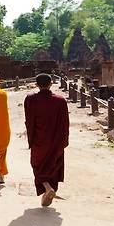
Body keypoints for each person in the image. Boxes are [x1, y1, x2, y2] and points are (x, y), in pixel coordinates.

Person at [24, 73, 70, 207]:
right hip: (56, 141)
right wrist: (64, 140)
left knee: (38, 166)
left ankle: (47, 188)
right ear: (51, 84)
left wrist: (31, 138)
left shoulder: (31, 99)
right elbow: (65, 123)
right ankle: (49, 189)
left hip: (39, 140)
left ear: (36, 85)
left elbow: (29, 120)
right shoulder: (60, 100)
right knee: (53, 166)